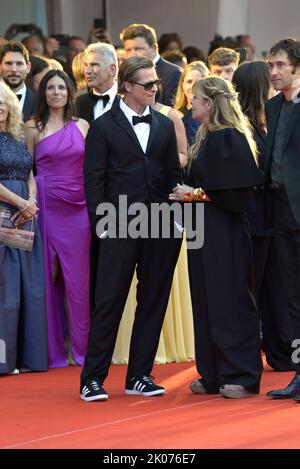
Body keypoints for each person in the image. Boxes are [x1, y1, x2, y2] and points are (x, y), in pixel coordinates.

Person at [80, 56, 182, 401]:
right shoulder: (103, 127)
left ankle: (139, 374)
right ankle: (91, 378)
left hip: (160, 228)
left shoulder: (165, 125)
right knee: (109, 301)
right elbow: (93, 182)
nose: (156, 88)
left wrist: (176, 221)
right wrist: (102, 226)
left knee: (152, 301)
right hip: (118, 226)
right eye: (148, 84)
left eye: (156, 83)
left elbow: (172, 177)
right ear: (127, 87)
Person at [171, 77, 263, 398]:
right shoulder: (208, 137)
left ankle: (242, 374)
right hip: (203, 232)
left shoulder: (229, 138)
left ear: (209, 103)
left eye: (195, 98)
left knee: (230, 300)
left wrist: (191, 194)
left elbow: (233, 194)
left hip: (225, 233)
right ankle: (212, 372)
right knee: (206, 300)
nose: (190, 102)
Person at [24, 70, 90, 368]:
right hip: (47, 204)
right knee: (47, 277)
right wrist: (31, 203)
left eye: (61, 87)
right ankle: (51, 349)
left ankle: (80, 349)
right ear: (43, 93)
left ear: (69, 92)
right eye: (50, 87)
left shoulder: (83, 126)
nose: (56, 92)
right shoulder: (32, 127)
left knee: (78, 279)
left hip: (79, 207)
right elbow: (27, 171)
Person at [232, 60, 292, 371]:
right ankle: (246, 356)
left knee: (276, 290)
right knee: (251, 290)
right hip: (253, 220)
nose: (273, 83)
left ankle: (281, 352)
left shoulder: (270, 119)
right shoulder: (243, 127)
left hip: (274, 220)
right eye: (267, 80)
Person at [0, 81, 47, 374]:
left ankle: (26, 358)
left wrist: (31, 199)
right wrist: (20, 201)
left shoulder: (17, 138)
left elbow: (29, 172)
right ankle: (4, 360)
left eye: (3, 103)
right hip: (4, 212)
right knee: (6, 289)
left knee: (29, 287)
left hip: (25, 215)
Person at [264, 39, 300, 401]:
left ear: (297, 68)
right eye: (270, 65)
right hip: (279, 211)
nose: (273, 72)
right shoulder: (272, 106)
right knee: (293, 299)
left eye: (280, 65)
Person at [75, 42, 119, 313]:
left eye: (94, 65)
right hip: (86, 193)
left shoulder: (127, 100)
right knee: (90, 261)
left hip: (123, 195)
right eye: (86, 65)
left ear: (113, 69)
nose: (87, 70)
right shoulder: (79, 102)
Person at [121, 23, 181, 106]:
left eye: (138, 49)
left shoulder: (173, 73)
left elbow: (172, 111)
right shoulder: (124, 74)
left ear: (154, 48)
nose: (132, 54)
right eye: (128, 50)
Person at [174, 61, 209, 146]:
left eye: (198, 82)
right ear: (182, 85)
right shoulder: (174, 115)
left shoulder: (212, 115)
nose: (193, 86)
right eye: (189, 81)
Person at [0, 41, 35, 121]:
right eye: (9, 63)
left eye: (19, 64)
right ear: (0, 66)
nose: (14, 69)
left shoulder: (40, 102)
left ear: (28, 67)